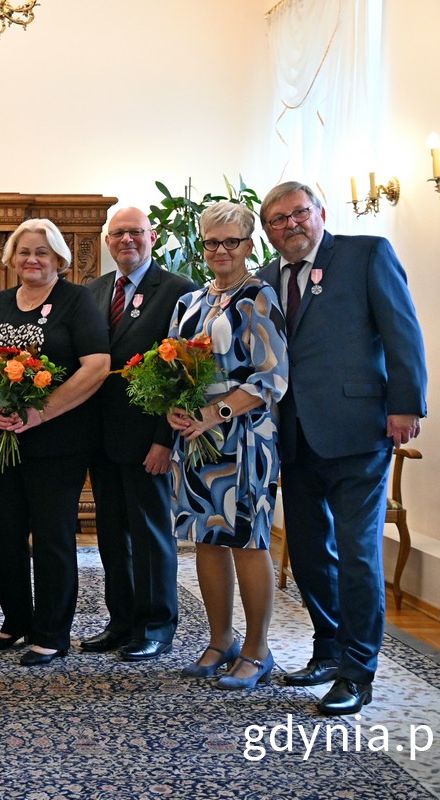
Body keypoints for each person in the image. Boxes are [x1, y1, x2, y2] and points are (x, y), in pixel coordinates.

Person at [256, 181, 426, 715]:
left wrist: (408, 404)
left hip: (358, 430)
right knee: (307, 552)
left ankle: (358, 671)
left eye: (299, 213)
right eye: (278, 220)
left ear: (320, 213)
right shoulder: (265, 279)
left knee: (356, 554)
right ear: (268, 231)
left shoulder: (365, 253)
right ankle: (326, 649)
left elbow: (403, 331)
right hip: (295, 436)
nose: (291, 225)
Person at [165, 202, 288, 690]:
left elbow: (272, 377)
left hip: (245, 437)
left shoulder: (259, 297)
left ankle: (258, 650)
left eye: (230, 242)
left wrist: (213, 415)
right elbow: (171, 365)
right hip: (194, 440)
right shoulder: (189, 303)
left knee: (248, 542)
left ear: (248, 246)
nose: (220, 251)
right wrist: (172, 408)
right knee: (207, 541)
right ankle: (221, 641)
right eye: (212, 242)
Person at [0, 219, 110, 667]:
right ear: (12, 258)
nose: (32, 260)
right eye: (24, 252)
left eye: (42, 252)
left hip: (59, 441)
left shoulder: (77, 301)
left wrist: (42, 411)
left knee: (52, 536)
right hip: (3, 439)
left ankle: (52, 632)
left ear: (59, 258)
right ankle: (16, 622)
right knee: (6, 533)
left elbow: (96, 366)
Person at [84, 207, 196, 661]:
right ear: (107, 242)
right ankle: (122, 620)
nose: (126, 240)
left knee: (150, 534)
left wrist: (163, 441)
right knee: (111, 534)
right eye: (118, 234)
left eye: (135, 232)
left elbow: (184, 373)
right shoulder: (93, 292)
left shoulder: (178, 291)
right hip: (100, 436)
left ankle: (156, 624)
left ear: (153, 236)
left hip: (148, 437)